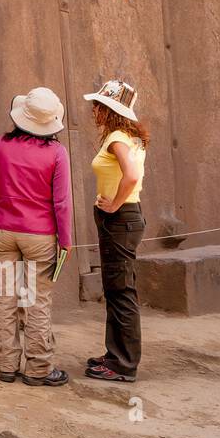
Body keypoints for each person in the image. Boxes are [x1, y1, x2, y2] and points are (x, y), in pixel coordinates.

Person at [0, 87, 73, 386]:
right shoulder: (57, 153)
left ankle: (6, 365)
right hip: (40, 235)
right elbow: (62, 202)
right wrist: (64, 241)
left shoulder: (1, 145)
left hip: (3, 232)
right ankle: (38, 368)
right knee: (36, 301)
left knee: (5, 299)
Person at [83, 80, 148, 383]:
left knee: (121, 291)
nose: (93, 110)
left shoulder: (118, 138)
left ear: (110, 110)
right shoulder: (130, 136)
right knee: (117, 288)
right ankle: (115, 354)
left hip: (120, 219)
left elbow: (132, 175)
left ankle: (124, 364)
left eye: (98, 105)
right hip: (126, 218)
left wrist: (113, 205)